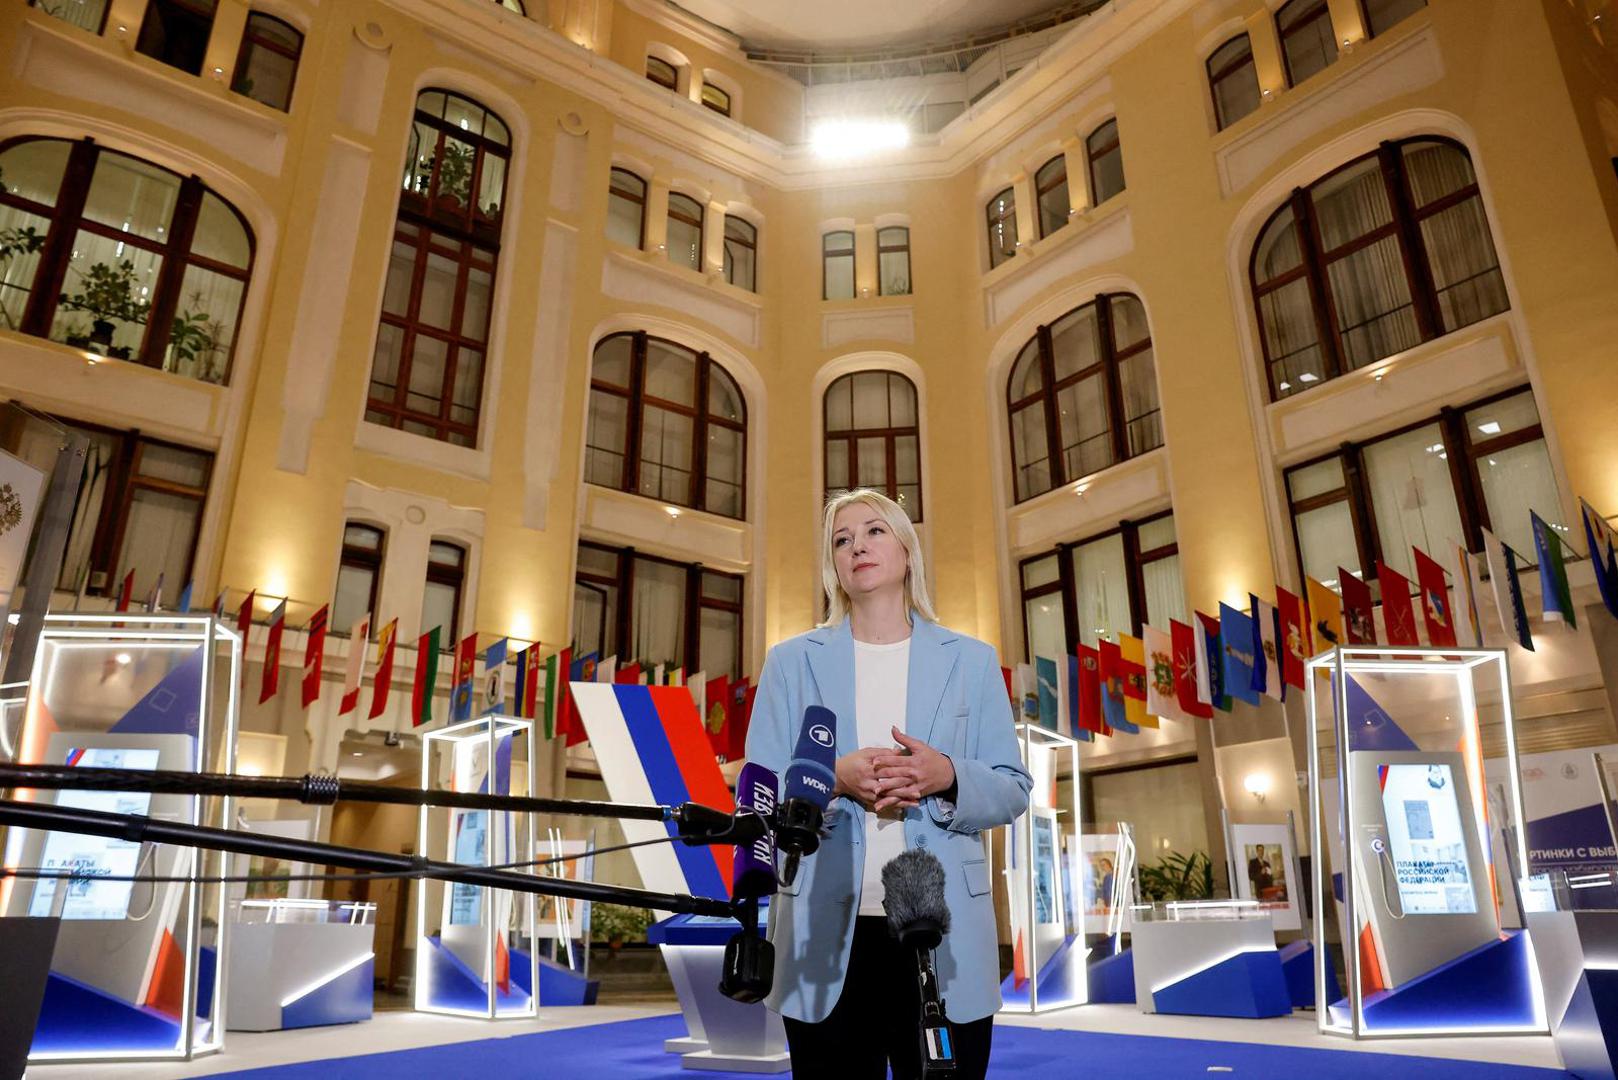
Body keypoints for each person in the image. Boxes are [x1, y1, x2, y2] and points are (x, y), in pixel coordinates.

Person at [745, 489, 1032, 1079]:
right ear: (834, 567)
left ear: (906, 550)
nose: (858, 546)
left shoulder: (972, 661)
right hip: (825, 933)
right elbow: (760, 789)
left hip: (943, 931)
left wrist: (947, 776)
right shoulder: (791, 662)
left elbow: (1012, 787)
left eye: (873, 531)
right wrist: (830, 781)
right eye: (842, 540)